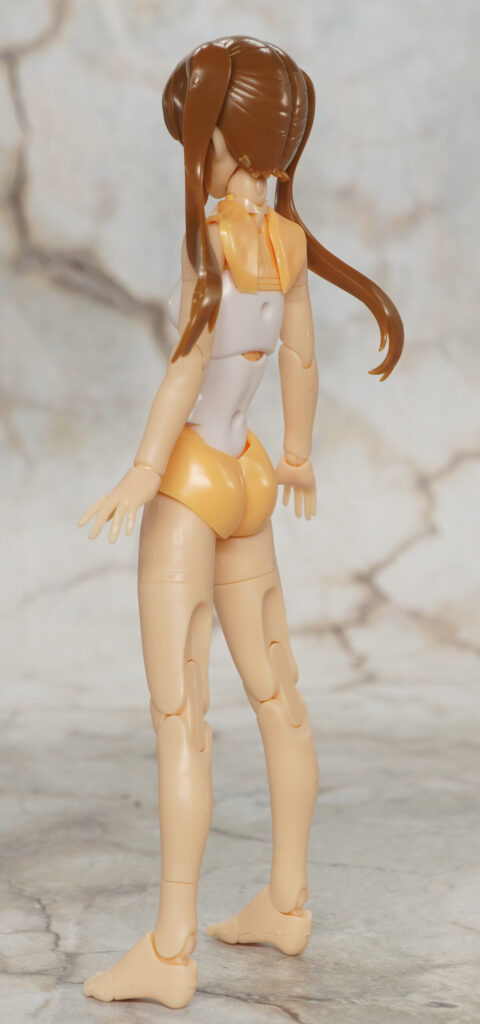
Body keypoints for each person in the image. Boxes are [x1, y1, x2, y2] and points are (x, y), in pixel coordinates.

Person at [79, 36, 403, 1009]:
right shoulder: (288, 243)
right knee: (279, 697)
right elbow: (299, 357)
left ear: (221, 135)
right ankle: (286, 902)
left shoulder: (213, 242)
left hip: (192, 484)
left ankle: (170, 950)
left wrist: (144, 469)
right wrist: (296, 454)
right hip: (254, 474)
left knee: (184, 720)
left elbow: (187, 365)